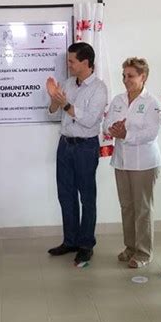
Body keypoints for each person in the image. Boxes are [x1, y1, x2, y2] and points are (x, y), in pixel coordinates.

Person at [46, 42, 107, 265]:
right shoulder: (68, 83)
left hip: (85, 147)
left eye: (72, 61)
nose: (68, 64)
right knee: (65, 195)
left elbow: (90, 119)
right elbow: (53, 114)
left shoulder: (99, 88)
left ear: (85, 62)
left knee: (87, 197)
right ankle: (70, 240)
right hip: (65, 145)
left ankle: (85, 244)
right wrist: (54, 101)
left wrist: (65, 105)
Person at [104, 58, 161, 268]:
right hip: (121, 161)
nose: (125, 80)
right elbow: (106, 124)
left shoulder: (151, 103)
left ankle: (144, 253)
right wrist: (112, 129)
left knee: (142, 208)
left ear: (143, 77)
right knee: (127, 207)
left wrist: (126, 134)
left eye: (130, 76)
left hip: (144, 163)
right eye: (124, 76)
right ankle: (130, 248)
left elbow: (150, 133)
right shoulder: (118, 100)